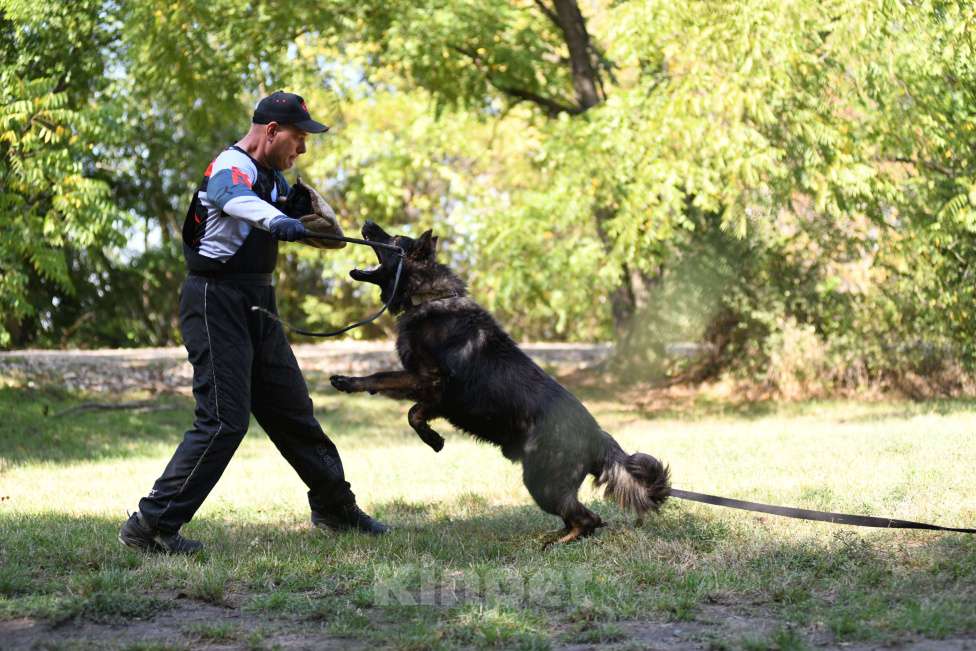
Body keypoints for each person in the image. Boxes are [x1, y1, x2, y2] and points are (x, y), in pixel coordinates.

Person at [119, 91, 388, 554]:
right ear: (271, 131)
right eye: (298, 138)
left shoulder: (273, 179)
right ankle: (151, 526)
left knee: (292, 411)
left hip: (257, 301)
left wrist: (309, 217)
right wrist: (277, 221)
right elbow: (230, 197)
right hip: (213, 300)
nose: (301, 149)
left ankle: (334, 508)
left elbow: (305, 218)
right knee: (224, 419)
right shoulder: (232, 166)